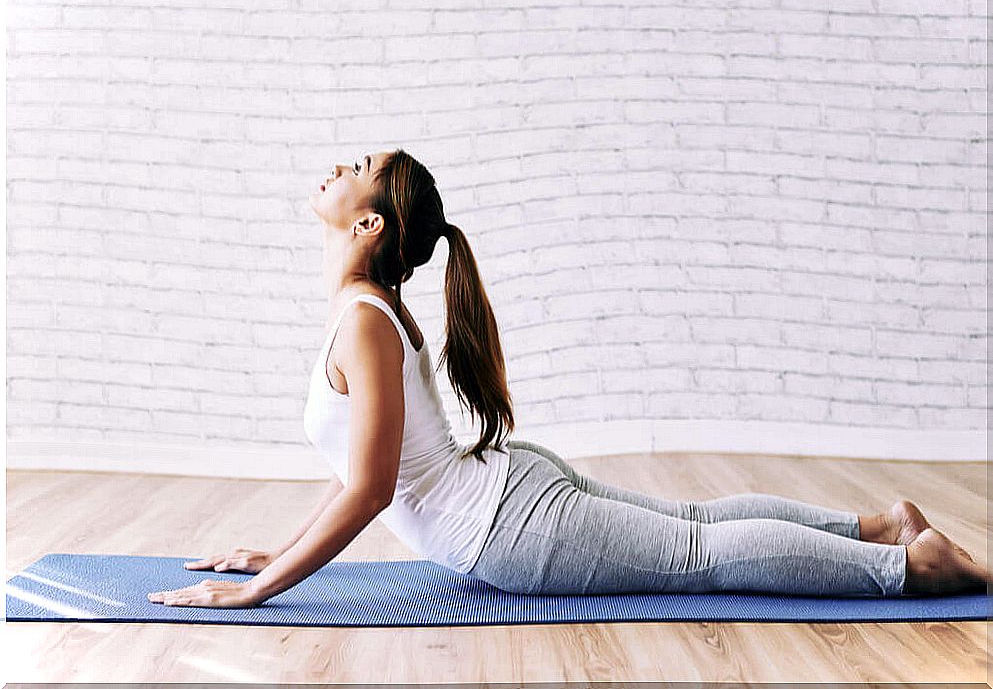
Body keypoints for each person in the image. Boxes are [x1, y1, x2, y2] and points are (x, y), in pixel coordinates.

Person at [149, 149, 990, 609]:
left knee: (699, 549)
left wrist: (266, 584)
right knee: (695, 526)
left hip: (510, 527)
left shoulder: (365, 319)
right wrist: (285, 548)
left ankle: (908, 567)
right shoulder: (366, 311)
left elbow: (370, 489)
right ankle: (880, 524)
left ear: (366, 222)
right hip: (509, 493)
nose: (333, 162)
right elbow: (366, 477)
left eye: (354, 163)